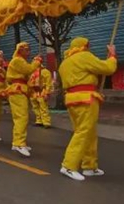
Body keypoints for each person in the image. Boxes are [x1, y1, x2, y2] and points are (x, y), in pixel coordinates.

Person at [58, 37, 117, 181]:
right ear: (84, 46)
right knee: (84, 132)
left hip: (72, 99)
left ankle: (89, 166)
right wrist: (112, 56)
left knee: (87, 132)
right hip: (85, 98)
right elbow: (107, 68)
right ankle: (68, 165)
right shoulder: (84, 56)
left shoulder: (64, 63)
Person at [6, 43, 39, 157]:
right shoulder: (17, 61)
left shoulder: (19, 61)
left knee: (19, 117)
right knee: (22, 117)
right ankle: (20, 143)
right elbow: (28, 70)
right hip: (17, 90)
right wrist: (36, 62)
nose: (29, 52)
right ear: (20, 50)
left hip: (19, 90)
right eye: (26, 50)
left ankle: (17, 142)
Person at [29, 59, 53, 128]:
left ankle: (46, 122)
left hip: (41, 91)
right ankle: (39, 120)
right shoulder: (31, 72)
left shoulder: (45, 72)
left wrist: (47, 92)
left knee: (43, 107)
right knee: (35, 107)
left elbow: (49, 83)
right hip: (33, 92)